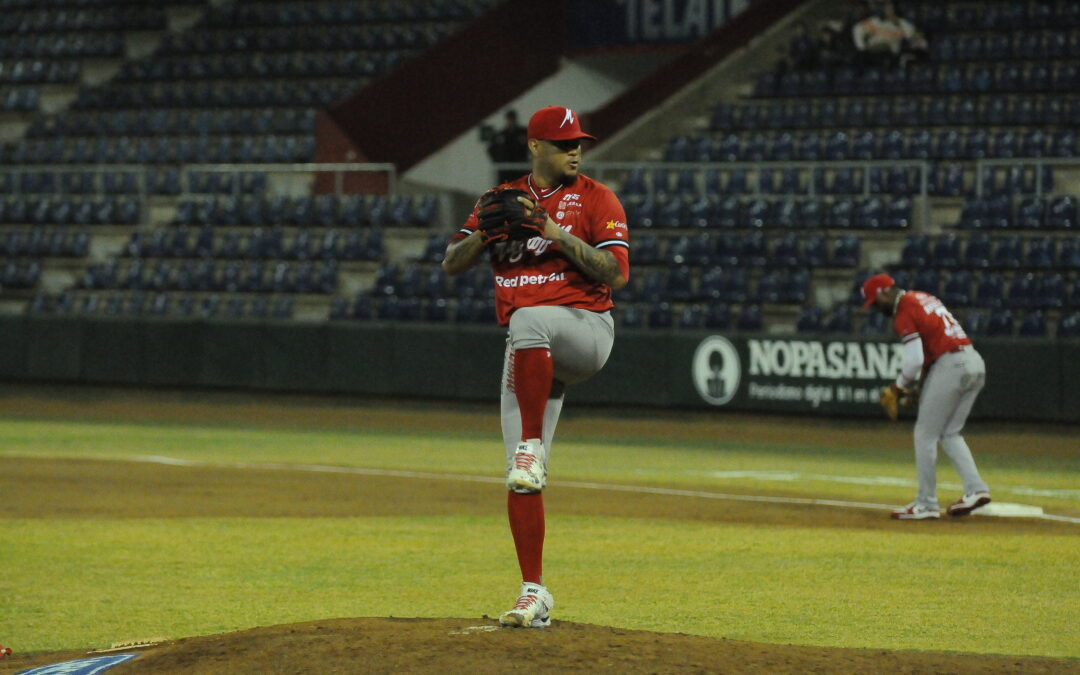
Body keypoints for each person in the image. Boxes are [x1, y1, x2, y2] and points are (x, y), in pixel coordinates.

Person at [442, 105, 630, 627]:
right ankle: (534, 593)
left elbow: (615, 273)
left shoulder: (597, 198)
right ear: (535, 147)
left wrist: (552, 229)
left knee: (527, 322)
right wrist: (484, 234)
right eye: (564, 142)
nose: (575, 149)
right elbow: (451, 263)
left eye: (579, 142)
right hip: (530, 352)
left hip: (586, 332)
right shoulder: (498, 200)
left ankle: (531, 445)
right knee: (521, 481)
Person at [861, 273, 992, 520]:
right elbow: (930, 356)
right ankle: (976, 489)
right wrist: (920, 390)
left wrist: (896, 389)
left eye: (875, 303)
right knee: (950, 433)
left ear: (884, 294)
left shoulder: (903, 310)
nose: (877, 310)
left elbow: (914, 361)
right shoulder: (923, 297)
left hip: (951, 365)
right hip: (974, 362)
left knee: (925, 434)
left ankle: (926, 503)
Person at [851, 1, 920, 67]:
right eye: (885, 7)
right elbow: (857, 29)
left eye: (890, 8)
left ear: (895, 9)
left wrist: (898, 24)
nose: (887, 10)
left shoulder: (902, 23)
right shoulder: (873, 21)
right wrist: (862, 48)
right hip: (870, 56)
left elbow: (915, 36)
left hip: (891, 56)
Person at [485, 109, 529, 184]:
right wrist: (498, 161)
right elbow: (491, 149)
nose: (511, 121)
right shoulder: (501, 134)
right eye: (509, 119)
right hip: (504, 170)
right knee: (504, 191)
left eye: (513, 119)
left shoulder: (523, 133)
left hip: (520, 168)